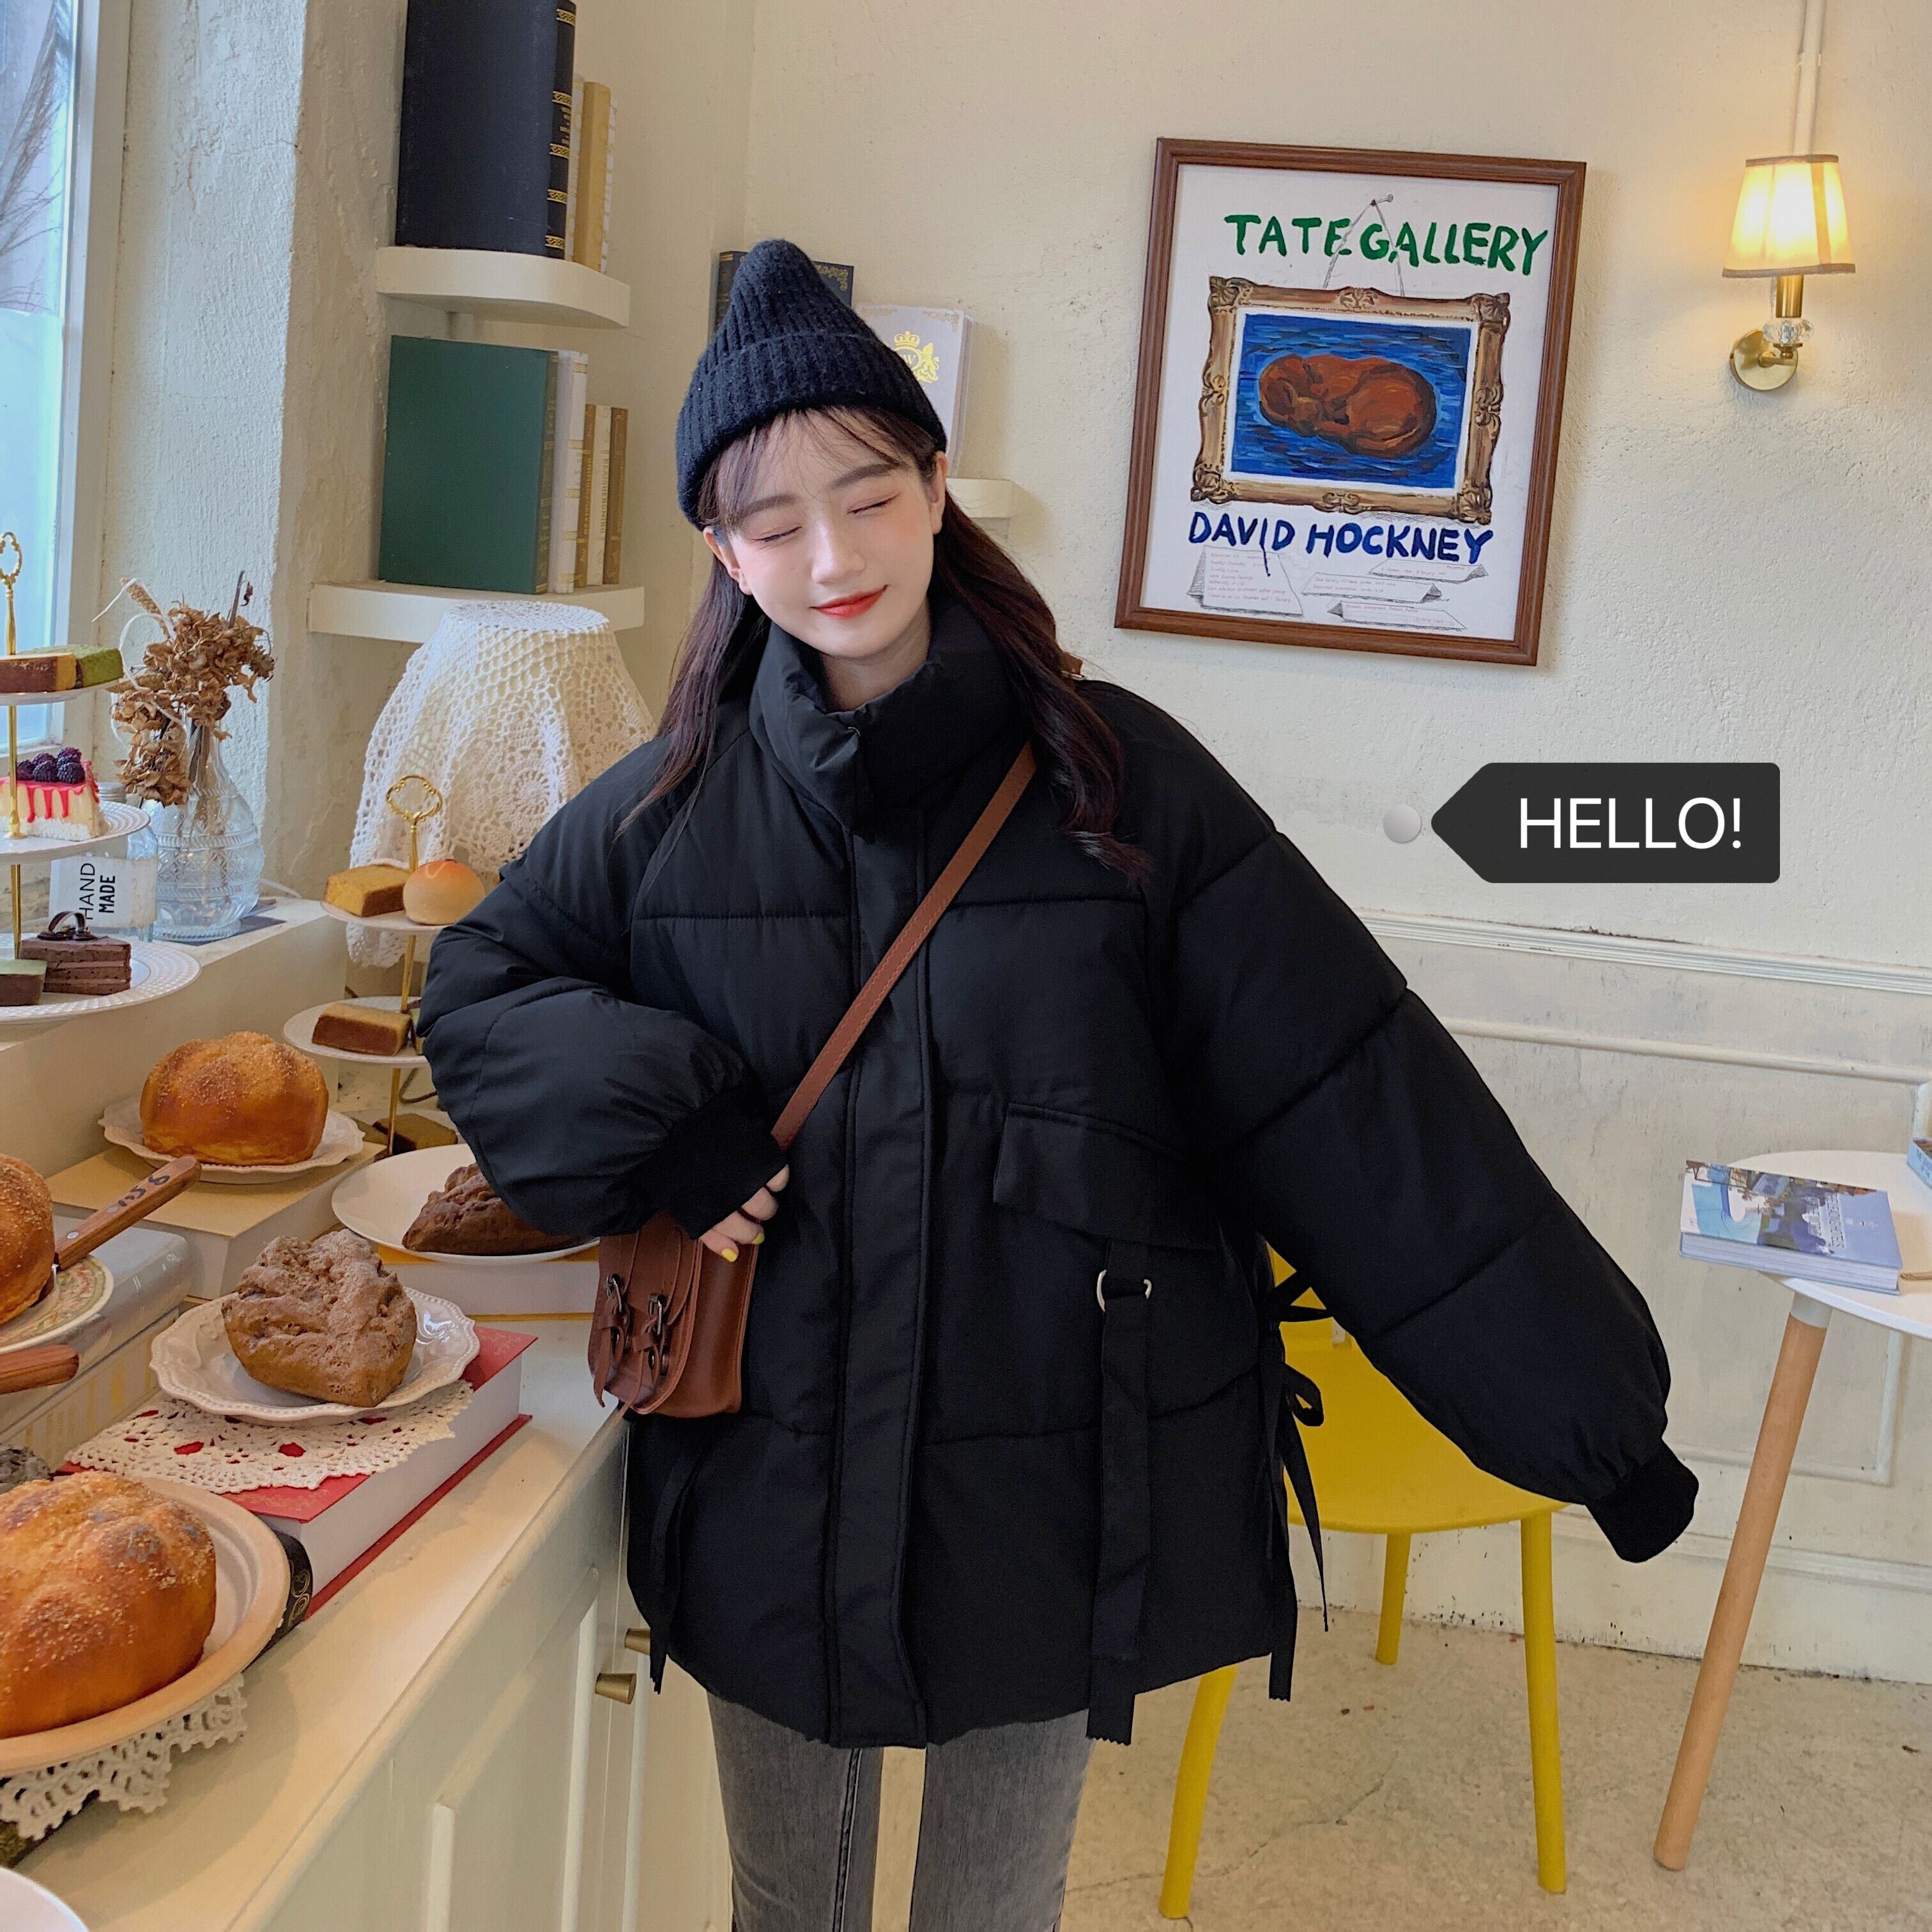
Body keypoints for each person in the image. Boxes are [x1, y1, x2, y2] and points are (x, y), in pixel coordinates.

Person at [417, 238, 1697, 1932]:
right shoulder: (670, 808)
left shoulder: (1120, 779)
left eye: (868, 496)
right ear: (720, 548)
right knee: (785, 1905)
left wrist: (1592, 1424)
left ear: (935, 485)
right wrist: (668, 1116)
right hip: (773, 1471)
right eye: (773, 522)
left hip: (1051, 1469)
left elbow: (1355, 1100)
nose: (831, 556)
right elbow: (483, 984)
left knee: (995, 1909)